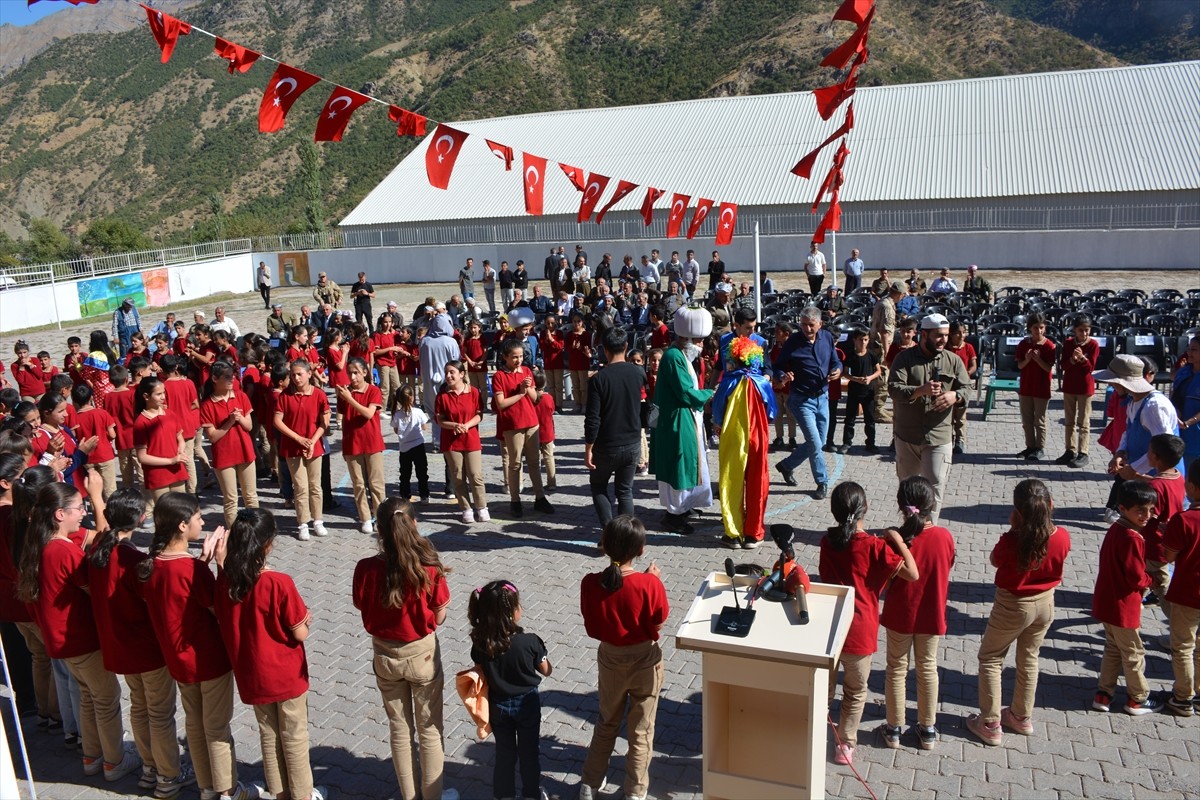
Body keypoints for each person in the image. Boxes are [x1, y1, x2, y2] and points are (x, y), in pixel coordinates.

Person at [19, 481, 142, 783]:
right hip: (81, 640)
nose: (83, 511)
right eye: (78, 507)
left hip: (62, 642)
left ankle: (92, 755)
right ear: (60, 514)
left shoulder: (43, 545)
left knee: (88, 696)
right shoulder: (63, 551)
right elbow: (92, 589)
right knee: (106, 698)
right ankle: (114, 760)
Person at [139, 493, 254, 800]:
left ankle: (206, 787)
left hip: (178, 661)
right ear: (181, 525)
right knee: (216, 728)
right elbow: (220, 606)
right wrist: (218, 565)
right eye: (198, 517)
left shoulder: (153, 565)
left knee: (195, 725)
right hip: (208, 659)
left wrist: (201, 562)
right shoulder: (191, 570)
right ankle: (228, 790)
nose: (203, 522)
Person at [87, 489, 194, 795]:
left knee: (139, 707)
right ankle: (169, 775)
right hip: (146, 648)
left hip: (119, 647)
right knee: (160, 714)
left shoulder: (99, 548)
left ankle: (149, 767)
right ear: (140, 518)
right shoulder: (132, 559)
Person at [214, 509, 326, 800]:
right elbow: (299, 632)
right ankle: (303, 794)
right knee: (294, 738)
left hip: (252, 674)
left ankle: (280, 793)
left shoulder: (225, 581)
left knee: (269, 735)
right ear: (268, 544)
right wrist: (307, 618)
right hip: (285, 674)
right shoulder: (279, 582)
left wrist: (218, 564)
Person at [352, 498, 456, 800]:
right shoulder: (428, 565)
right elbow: (438, 615)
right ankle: (433, 794)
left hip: (385, 653)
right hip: (421, 653)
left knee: (399, 728)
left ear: (380, 530)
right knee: (429, 728)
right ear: (414, 524)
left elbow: (361, 605)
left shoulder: (366, 568)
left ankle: (408, 795)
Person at [966, 479, 1071, 746]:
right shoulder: (1062, 536)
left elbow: (994, 560)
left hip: (1013, 604)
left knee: (990, 658)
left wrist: (1013, 530)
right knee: (1029, 658)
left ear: (1017, 512)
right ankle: (1021, 716)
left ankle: (990, 722)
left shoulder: (1012, 540)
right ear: (1050, 505)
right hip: (1046, 603)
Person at [819, 482, 918, 766]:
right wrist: (896, 540)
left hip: (831, 626)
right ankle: (845, 743)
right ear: (866, 508)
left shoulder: (828, 542)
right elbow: (912, 573)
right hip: (861, 631)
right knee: (855, 690)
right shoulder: (875, 546)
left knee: (824, 687)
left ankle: (814, 727)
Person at [577, 516, 668, 800]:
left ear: (604, 546)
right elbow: (659, 621)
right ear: (641, 551)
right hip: (644, 659)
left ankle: (589, 784)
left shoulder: (590, 582)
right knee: (641, 730)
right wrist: (652, 580)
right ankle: (635, 791)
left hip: (611, 657)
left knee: (606, 722)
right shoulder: (648, 584)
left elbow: (591, 622)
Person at [880, 476, 956, 752]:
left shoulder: (896, 540)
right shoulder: (945, 537)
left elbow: (886, 581)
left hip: (900, 614)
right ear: (931, 504)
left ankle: (894, 728)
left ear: (901, 506)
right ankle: (928, 729)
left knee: (896, 670)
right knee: (927, 669)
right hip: (931, 614)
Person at [468, 581, 552, 800]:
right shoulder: (530, 642)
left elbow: (480, 668)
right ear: (514, 612)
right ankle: (532, 794)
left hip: (497, 705)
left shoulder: (480, 643)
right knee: (529, 754)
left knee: (505, 754)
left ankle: (504, 795)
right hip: (527, 705)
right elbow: (546, 670)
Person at [1090, 479, 1164, 715]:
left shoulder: (1116, 529)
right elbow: (1135, 577)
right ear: (1123, 509)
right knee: (1134, 653)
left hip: (1106, 601)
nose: (1147, 515)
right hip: (1124, 606)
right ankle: (1137, 698)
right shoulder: (1133, 538)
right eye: (1140, 510)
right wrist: (1150, 580)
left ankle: (1104, 693)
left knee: (1113, 647)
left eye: (1150, 510)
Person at [887, 313, 970, 519]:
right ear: (924, 335)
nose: (944, 340)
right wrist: (920, 390)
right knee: (908, 490)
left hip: (938, 437)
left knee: (935, 489)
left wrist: (955, 396)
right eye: (938, 335)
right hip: (907, 437)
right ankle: (911, 529)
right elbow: (894, 389)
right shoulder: (904, 359)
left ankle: (929, 533)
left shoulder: (954, 360)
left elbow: (967, 387)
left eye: (946, 335)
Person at [712, 307, 776, 548]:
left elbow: (769, 368)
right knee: (732, 469)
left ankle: (751, 530)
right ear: (736, 325)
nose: (752, 332)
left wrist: (764, 381)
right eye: (747, 327)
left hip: (753, 403)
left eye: (754, 327)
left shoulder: (760, 342)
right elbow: (720, 367)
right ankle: (734, 529)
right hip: (732, 407)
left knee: (755, 470)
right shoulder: (725, 341)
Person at [649, 307, 715, 534]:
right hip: (675, 420)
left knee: (688, 462)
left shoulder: (679, 354)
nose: (701, 345)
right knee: (679, 465)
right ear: (687, 338)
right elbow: (685, 392)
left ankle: (685, 505)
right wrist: (710, 394)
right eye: (699, 340)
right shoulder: (673, 357)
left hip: (681, 417)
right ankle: (673, 515)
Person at [773, 306, 842, 499]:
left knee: (818, 442)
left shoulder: (827, 337)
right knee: (814, 442)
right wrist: (782, 375)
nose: (807, 329)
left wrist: (837, 370)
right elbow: (777, 366)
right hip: (801, 400)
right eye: (804, 325)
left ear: (819, 324)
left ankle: (786, 465)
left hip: (823, 398)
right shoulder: (793, 342)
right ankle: (822, 481)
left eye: (811, 325)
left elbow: (836, 361)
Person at [585, 327, 645, 528]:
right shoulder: (638, 373)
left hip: (606, 445)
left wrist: (588, 448)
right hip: (632, 442)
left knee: (599, 486)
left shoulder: (599, 379)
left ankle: (608, 533)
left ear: (605, 349)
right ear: (626, 347)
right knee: (625, 490)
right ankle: (627, 536)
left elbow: (592, 418)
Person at [492, 339, 554, 518]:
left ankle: (540, 497)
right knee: (515, 463)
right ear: (505, 357)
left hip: (531, 422)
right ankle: (515, 500)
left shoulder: (526, 371)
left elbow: (535, 398)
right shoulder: (499, 376)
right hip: (512, 425)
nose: (518, 360)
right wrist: (519, 392)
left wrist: (528, 388)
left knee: (535, 462)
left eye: (520, 356)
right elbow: (501, 403)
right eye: (514, 357)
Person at [274, 359, 330, 541]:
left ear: (308, 374)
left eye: (300, 374)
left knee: (315, 486)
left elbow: (324, 423)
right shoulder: (285, 396)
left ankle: (318, 520)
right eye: (293, 375)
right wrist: (298, 438)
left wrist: (312, 441)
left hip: (314, 445)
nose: (296, 378)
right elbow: (277, 421)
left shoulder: (319, 395)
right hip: (292, 447)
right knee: (300, 486)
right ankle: (303, 523)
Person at [1162, 458, 1200, 717]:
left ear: (1194, 488)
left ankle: (1183, 697)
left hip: (1188, 593)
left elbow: (1169, 556)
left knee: (1183, 647)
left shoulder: (1184, 520)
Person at [200, 362, 258, 528]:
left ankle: (256, 530)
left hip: (245, 451)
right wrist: (230, 422)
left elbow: (249, 426)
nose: (231, 378)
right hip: (224, 456)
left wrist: (240, 419)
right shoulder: (207, 405)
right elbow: (212, 437)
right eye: (226, 376)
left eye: (232, 375)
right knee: (231, 499)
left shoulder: (241, 396)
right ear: (214, 379)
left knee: (251, 496)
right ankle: (234, 534)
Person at [338, 358, 387, 535]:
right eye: (349, 372)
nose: (352, 377)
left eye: (356, 372)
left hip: (372, 442)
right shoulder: (345, 393)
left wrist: (350, 399)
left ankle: (381, 518)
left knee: (376, 483)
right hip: (352, 443)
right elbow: (343, 416)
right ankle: (365, 517)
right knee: (358, 484)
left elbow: (368, 413)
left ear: (365, 373)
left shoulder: (373, 391)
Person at [436, 361, 487, 522]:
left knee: (475, 475)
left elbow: (479, 415)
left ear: (461, 374)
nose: (449, 376)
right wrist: (454, 426)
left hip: (471, 438)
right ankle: (466, 508)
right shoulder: (442, 395)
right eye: (446, 373)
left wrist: (466, 425)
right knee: (458, 476)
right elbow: (439, 420)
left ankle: (481, 506)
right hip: (451, 441)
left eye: (452, 372)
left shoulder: (473, 392)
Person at [134, 377, 188, 502]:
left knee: (182, 508)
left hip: (177, 471)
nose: (163, 397)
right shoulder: (141, 422)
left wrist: (181, 451)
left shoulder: (170, 414)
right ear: (146, 397)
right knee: (165, 513)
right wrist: (171, 460)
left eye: (164, 393)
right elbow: (142, 457)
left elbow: (180, 439)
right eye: (158, 394)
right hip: (158, 475)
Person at [1016, 312, 1056, 461]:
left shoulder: (1049, 346)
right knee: (1027, 421)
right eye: (1035, 328)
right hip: (1026, 387)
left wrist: (1038, 359)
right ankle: (1029, 446)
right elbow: (1020, 365)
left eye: (1041, 327)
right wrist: (1027, 359)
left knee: (1039, 420)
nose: (1038, 331)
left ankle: (1040, 447)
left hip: (1041, 388)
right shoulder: (1023, 344)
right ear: (1029, 328)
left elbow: (1048, 368)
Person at [841, 327, 880, 453]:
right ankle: (847, 443)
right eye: (860, 340)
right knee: (849, 419)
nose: (863, 342)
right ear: (854, 340)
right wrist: (856, 379)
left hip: (868, 392)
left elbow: (878, 371)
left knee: (869, 420)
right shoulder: (851, 355)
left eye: (865, 340)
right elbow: (845, 373)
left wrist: (869, 378)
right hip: (854, 391)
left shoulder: (871, 355)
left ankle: (871, 443)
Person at [870, 281, 903, 424]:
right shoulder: (887, 306)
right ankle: (878, 410)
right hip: (880, 347)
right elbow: (884, 332)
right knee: (882, 378)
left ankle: (878, 408)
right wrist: (887, 354)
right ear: (899, 294)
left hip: (874, 344)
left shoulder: (882, 302)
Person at [392, 385, 430, 504]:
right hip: (418, 445)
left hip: (404, 448)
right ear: (412, 398)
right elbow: (424, 427)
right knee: (422, 471)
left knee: (405, 473)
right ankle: (424, 495)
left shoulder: (396, 414)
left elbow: (396, 430)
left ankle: (405, 495)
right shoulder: (418, 412)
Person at [419, 315, 460, 419]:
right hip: (448, 380)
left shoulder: (424, 341)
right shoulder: (450, 342)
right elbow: (456, 362)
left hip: (429, 381)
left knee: (434, 412)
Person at [947, 322, 977, 455]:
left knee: (960, 415)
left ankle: (960, 440)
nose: (961, 335)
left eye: (963, 332)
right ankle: (948, 439)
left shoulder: (968, 347)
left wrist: (966, 374)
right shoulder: (946, 348)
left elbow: (973, 365)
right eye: (958, 333)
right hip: (948, 384)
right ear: (951, 334)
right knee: (947, 415)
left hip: (962, 385)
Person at [1171, 334, 1200, 466]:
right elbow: (1174, 394)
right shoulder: (1184, 372)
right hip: (1178, 430)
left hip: (1195, 433)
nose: (1189, 352)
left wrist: (1188, 422)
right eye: (1188, 349)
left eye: (1194, 349)